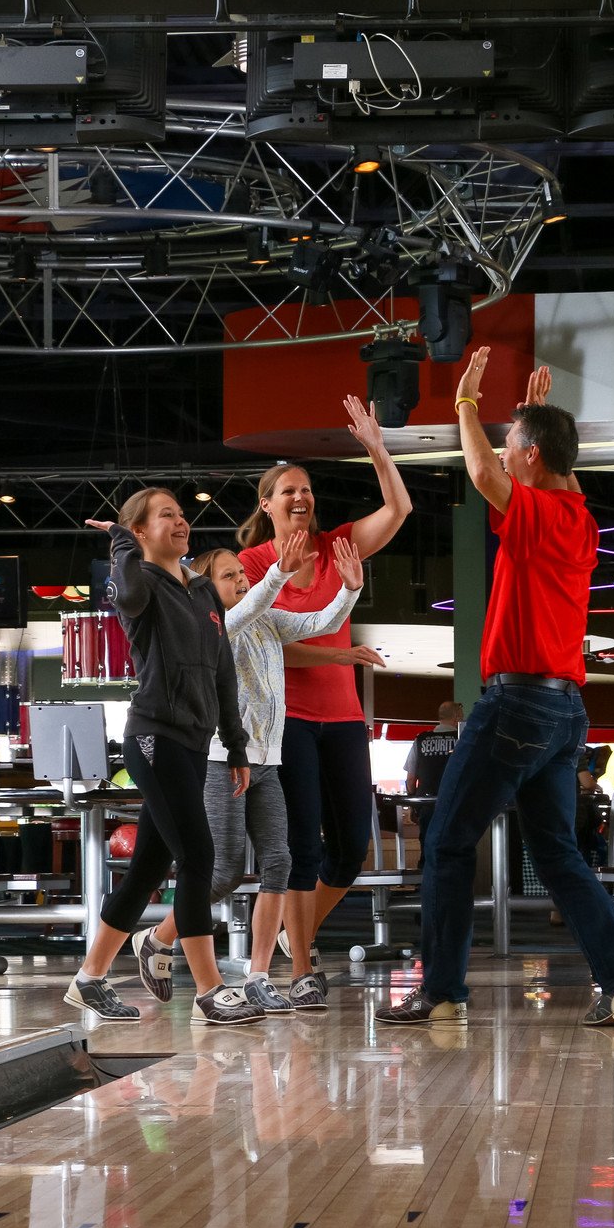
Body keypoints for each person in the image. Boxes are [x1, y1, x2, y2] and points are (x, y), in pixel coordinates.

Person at [376, 349, 614, 1027]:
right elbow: (552, 470)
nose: (504, 450)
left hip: (518, 703)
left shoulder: (536, 514)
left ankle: (440, 989)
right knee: (556, 851)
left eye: (513, 444)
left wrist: (466, 401)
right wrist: (539, 422)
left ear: (527, 459)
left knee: (447, 842)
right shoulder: (579, 519)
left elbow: (479, 472)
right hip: (565, 712)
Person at [131, 532, 364, 1016]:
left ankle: (258, 975)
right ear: (204, 587)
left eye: (243, 573)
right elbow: (240, 614)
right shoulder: (212, 623)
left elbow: (321, 622)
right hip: (223, 759)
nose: (241, 580)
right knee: (223, 873)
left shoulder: (267, 621)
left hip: (269, 761)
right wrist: (279, 572)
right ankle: (156, 938)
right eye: (229, 575)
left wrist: (349, 589)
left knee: (279, 861)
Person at [64, 491, 261, 1027]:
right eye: (166, 515)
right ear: (142, 531)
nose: (181, 520)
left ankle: (89, 978)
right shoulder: (141, 582)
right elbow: (124, 598)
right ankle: (210, 989)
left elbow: (223, 673)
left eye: (181, 513)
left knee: (150, 865)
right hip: (154, 737)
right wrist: (122, 543)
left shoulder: (201, 592)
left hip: (195, 745)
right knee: (198, 856)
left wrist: (237, 746)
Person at [236, 401, 412, 983]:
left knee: (349, 848)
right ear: (267, 505)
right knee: (303, 851)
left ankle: (297, 936)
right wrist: (340, 653)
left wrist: (376, 449)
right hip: (287, 720)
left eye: (306, 489)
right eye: (287, 489)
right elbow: (270, 645)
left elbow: (399, 507)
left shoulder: (340, 547)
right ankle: (304, 969)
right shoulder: (253, 563)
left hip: (342, 716)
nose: (300, 496)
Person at [403, 701, 463, 796]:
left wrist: (413, 798)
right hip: (454, 802)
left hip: (426, 803)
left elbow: (411, 779)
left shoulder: (420, 740)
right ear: (457, 717)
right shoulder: (463, 740)